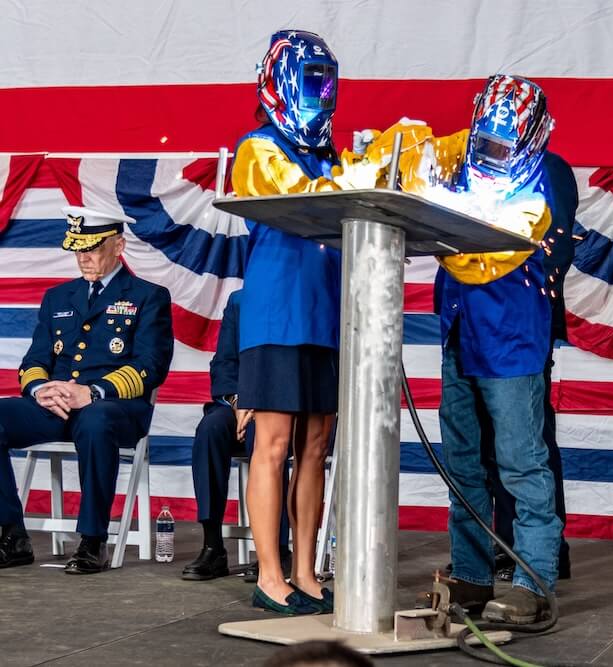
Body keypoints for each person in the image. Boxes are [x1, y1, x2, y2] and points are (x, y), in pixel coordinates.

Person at [386, 75, 563, 624]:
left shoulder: (545, 180)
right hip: (459, 336)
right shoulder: (460, 157)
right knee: (462, 464)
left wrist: (441, 228)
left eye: (500, 147)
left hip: (511, 344)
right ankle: (471, 575)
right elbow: (413, 161)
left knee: (521, 465)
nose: (488, 155)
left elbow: (488, 253)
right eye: (484, 143)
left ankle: (533, 582)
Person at [232, 29, 342, 615]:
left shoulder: (332, 155)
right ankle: (270, 575)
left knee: (316, 446)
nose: (320, 94)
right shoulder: (258, 148)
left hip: (328, 315)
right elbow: (304, 198)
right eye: (310, 81)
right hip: (277, 314)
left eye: (327, 83)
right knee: (272, 445)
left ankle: (305, 570)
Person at [0, 206, 173, 574]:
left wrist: (93, 391)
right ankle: (12, 534)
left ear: (119, 246)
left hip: (115, 409)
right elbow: (35, 359)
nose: (83, 258)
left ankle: (93, 540)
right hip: (57, 407)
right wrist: (40, 389)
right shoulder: (58, 297)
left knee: (95, 421)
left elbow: (151, 366)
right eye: (78, 249)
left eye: (92, 248)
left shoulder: (148, 296)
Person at [485, 149, 577, 583]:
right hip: (480, 322)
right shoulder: (481, 168)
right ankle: (505, 543)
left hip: (524, 323)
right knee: (491, 441)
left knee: (527, 437)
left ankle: (542, 551)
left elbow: (555, 249)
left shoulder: (548, 168)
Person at [180, 289, 292, 581]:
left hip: (290, 407)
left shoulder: (303, 298)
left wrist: (262, 404)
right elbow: (224, 363)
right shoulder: (240, 300)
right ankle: (212, 546)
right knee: (210, 430)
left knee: (263, 434)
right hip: (241, 403)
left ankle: (277, 550)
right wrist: (238, 400)